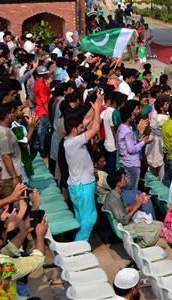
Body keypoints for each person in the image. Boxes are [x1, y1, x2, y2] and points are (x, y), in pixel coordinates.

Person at [64, 95, 103, 240]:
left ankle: (79, 242)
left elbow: (86, 121)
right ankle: (80, 244)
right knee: (90, 218)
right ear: (74, 130)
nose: (83, 127)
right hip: (83, 185)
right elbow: (94, 129)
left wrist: (94, 107)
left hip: (77, 185)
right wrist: (98, 110)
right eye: (80, 128)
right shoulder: (74, 142)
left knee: (81, 217)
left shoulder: (69, 139)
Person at [104, 169, 163, 246]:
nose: (126, 180)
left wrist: (138, 202)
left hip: (128, 224)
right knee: (159, 227)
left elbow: (124, 209)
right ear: (118, 183)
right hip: (126, 227)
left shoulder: (115, 195)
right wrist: (137, 206)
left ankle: (143, 242)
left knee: (158, 226)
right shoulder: (113, 199)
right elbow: (123, 220)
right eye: (123, 179)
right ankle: (140, 245)